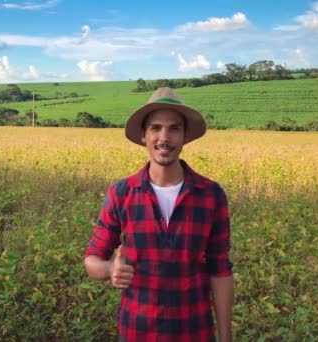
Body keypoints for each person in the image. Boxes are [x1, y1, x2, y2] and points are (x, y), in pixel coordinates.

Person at [84, 87, 234, 341]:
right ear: (143, 135)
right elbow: (92, 259)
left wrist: (226, 336)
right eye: (155, 127)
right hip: (136, 332)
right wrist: (110, 269)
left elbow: (220, 271)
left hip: (194, 332)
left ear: (185, 136)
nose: (164, 137)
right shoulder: (122, 193)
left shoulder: (210, 195)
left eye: (174, 128)